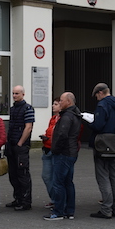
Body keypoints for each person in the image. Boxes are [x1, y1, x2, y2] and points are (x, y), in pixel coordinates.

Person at [88, 83, 115, 219]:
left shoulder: (102, 105)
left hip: (102, 144)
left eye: (97, 95)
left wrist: (89, 122)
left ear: (101, 93)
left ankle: (106, 209)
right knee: (113, 176)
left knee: (102, 176)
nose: (97, 98)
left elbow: (98, 125)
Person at [44, 92, 83, 221]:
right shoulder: (75, 114)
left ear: (68, 102)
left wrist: (55, 149)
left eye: (61, 100)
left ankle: (58, 211)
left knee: (58, 183)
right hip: (71, 152)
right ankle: (69, 211)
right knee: (68, 183)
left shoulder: (67, 116)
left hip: (63, 153)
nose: (59, 102)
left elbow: (62, 135)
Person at [6, 85, 35, 210]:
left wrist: (20, 143)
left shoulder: (28, 108)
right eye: (13, 93)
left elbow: (28, 127)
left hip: (21, 146)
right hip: (11, 144)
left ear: (23, 94)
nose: (14, 95)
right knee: (13, 174)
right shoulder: (13, 109)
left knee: (22, 173)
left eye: (17, 93)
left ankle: (26, 201)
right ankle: (17, 198)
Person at [39, 100, 60, 209]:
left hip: (55, 150)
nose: (53, 106)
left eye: (56, 104)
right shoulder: (52, 119)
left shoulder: (63, 119)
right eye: (53, 104)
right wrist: (45, 136)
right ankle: (54, 198)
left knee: (56, 177)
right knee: (46, 176)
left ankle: (57, 201)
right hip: (47, 149)